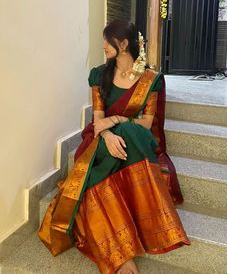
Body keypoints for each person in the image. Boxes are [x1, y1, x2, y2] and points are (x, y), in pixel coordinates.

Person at [38, 20, 190, 274]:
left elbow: (147, 123)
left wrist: (117, 119)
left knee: (129, 130)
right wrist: (108, 133)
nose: (103, 46)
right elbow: (97, 121)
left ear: (123, 44)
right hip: (100, 138)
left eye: (107, 41)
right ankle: (119, 255)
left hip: (134, 139)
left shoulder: (150, 79)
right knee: (101, 166)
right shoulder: (100, 75)